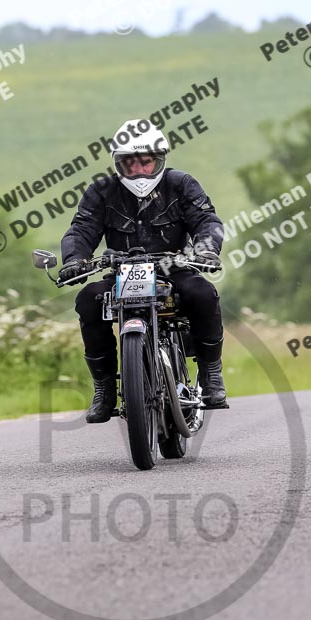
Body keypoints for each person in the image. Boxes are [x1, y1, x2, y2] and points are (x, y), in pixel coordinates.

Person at [59, 118, 227, 423]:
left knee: (202, 293)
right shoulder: (102, 191)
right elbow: (81, 229)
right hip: (122, 273)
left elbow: (207, 222)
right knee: (88, 299)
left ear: (159, 160)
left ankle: (211, 376)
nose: (138, 171)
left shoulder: (181, 184)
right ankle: (104, 389)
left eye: (145, 162)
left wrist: (206, 249)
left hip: (173, 269)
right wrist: (73, 260)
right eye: (130, 163)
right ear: (118, 164)